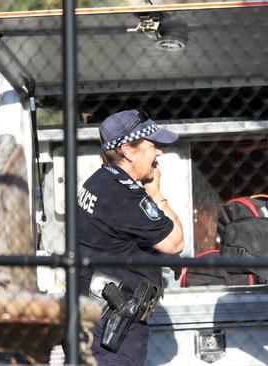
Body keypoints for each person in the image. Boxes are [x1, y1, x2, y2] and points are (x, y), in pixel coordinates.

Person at [77, 109, 184, 366]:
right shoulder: (125, 195)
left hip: (93, 321)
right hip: (112, 328)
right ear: (128, 151)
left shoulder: (99, 181)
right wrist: (156, 193)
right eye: (152, 145)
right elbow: (175, 241)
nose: (158, 153)